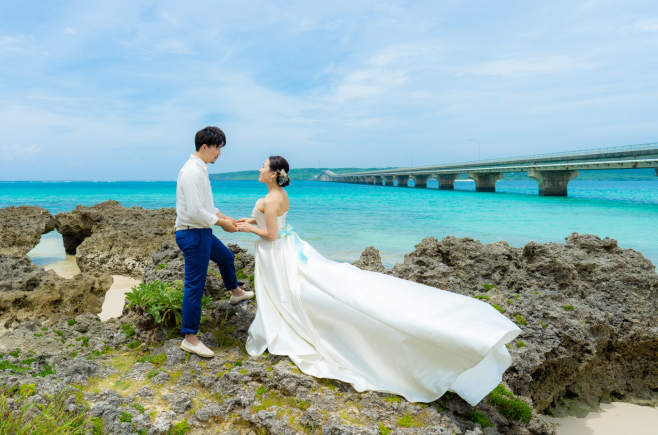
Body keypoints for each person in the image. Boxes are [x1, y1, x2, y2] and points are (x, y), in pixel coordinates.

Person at [235, 155, 521, 406]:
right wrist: (246, 221)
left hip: (276, 251)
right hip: (285, 248)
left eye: (262, 166)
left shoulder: (270, 199)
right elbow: (269, 223)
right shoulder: (279, 195)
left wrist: (249, 229)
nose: (259, 169)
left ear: (273, 174)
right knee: (293, 291)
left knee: (289, 293)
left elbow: (271, 234)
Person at [175, 126, 254, 358]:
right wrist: (221, 224)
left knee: (226, 257)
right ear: (205, 147)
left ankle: (236, 292)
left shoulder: (201, 168)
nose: (219, 153)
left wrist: (227, 218)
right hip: (193, 233)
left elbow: (207, 207)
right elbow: (195, 211)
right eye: (217, 148)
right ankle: (190, 338)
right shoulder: (192, 172)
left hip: (201, 232)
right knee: (194, 286)